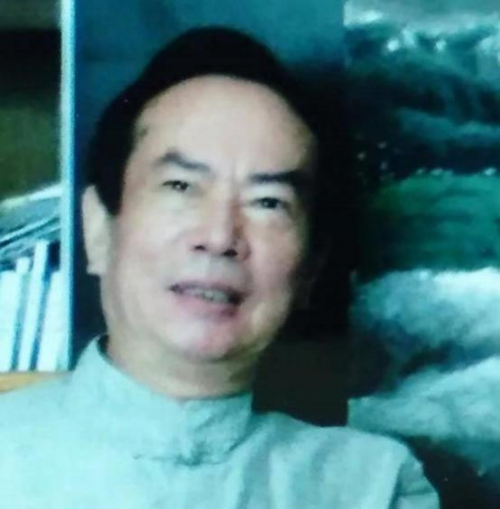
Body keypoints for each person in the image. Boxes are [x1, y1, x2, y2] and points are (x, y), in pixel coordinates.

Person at [0, 28, 439, 508]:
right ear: (99, 229)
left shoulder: (371, 487)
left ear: (310, 268)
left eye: (268, 202)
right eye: (181, 187)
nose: (220, 236)